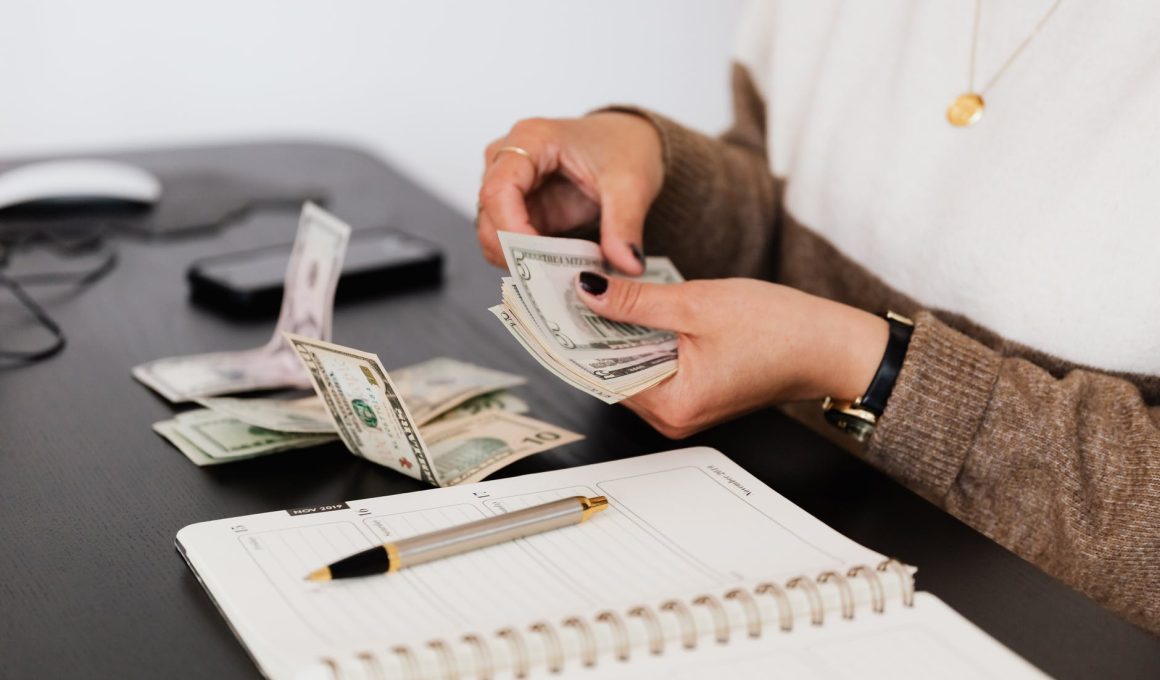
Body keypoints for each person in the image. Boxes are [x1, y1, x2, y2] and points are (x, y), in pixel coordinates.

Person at [473, 1, 1160, 635]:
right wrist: (656, 171)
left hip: (1031, 633)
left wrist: (869, 367)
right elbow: (788, 199)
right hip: (766, 540)